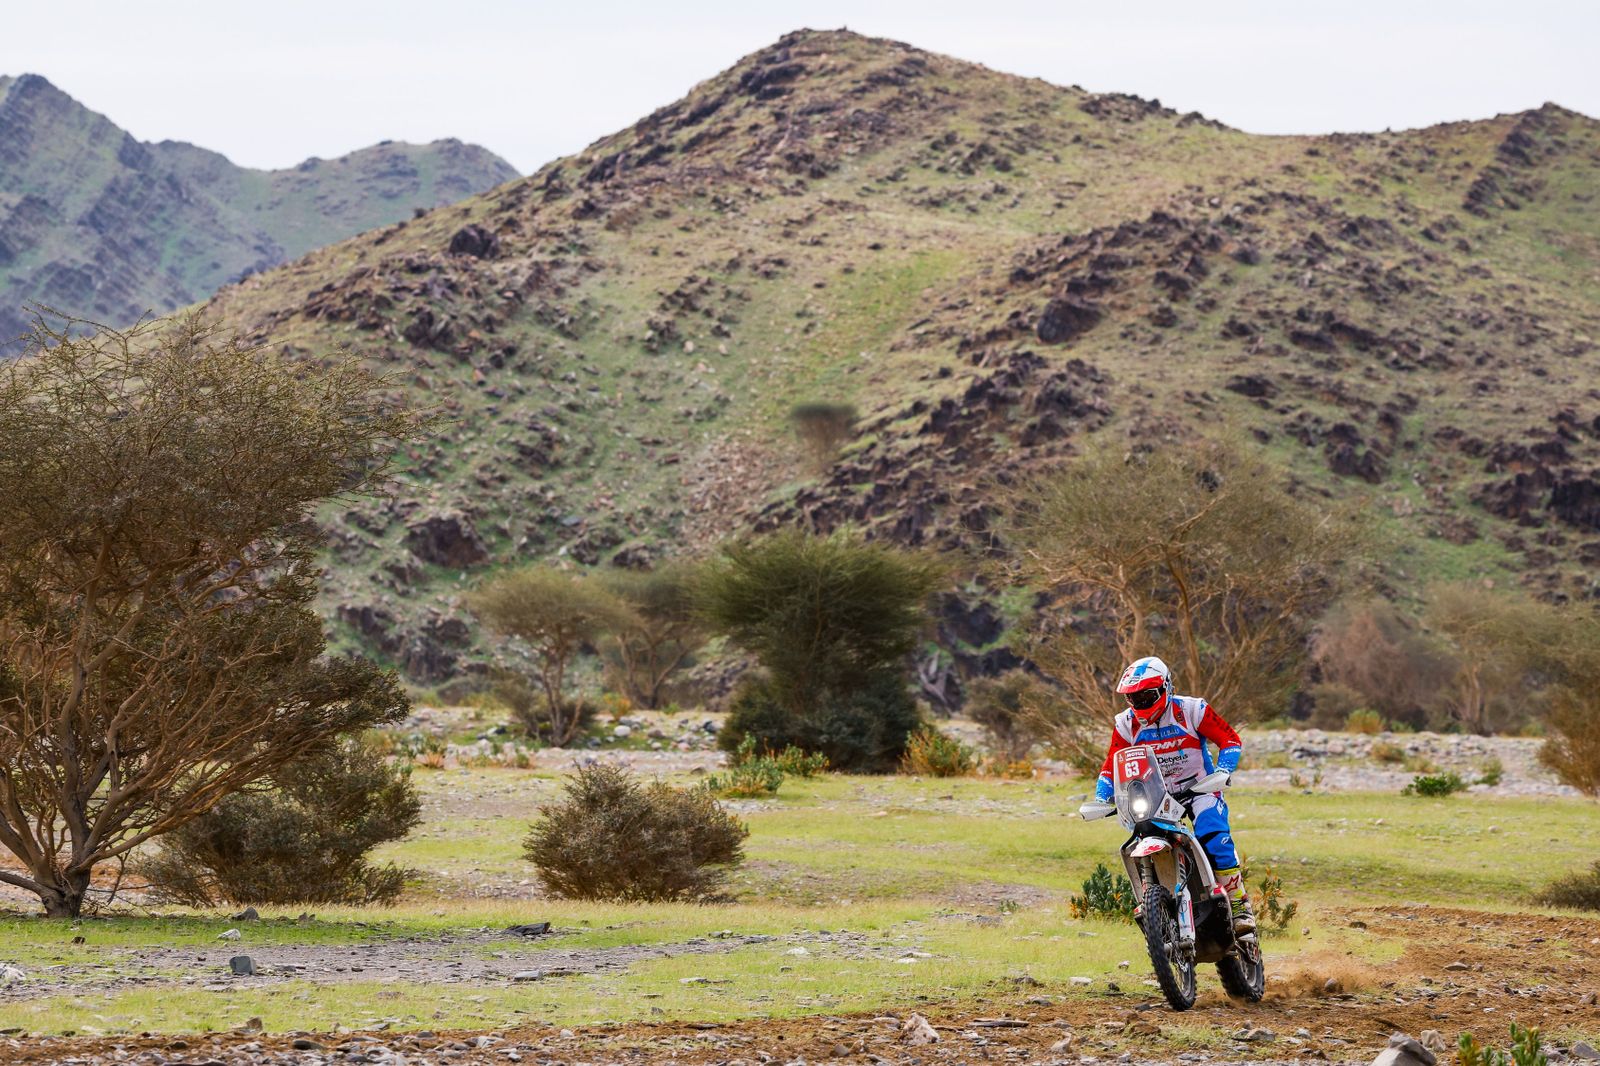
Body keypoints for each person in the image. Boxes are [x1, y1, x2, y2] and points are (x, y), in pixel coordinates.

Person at [1094, 655, 1255, 935]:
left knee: (1214, 836)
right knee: (1141, 837)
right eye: (1133, 698)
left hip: (1199, 788)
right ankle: (1155, 906)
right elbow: (1111, 765)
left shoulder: (1193, 709)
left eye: (1146, 696)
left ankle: (1240, 905)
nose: (1140, 703)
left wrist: (1223, 770)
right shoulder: (1125, 724)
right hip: (1157, 796)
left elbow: (1229, 739)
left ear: (1166, 687)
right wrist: (1101, 796)